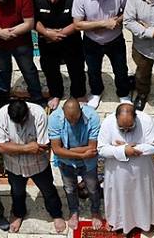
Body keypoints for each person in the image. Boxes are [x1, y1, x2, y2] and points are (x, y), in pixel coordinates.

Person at [0, 100, 66, 233]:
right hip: (13, 166)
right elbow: (0, 146)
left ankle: (56, 214)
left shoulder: (38, 113)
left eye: (23, 121)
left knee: (48, 190)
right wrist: (28, 147)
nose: (20, 124)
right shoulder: (2, 115)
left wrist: (12, 147)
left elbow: (42, 146)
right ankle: (18, 213)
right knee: (17, 192)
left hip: (38, 165)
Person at [98, 102, 154, 234]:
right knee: (119, 198)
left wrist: (133, 149)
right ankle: (118, 223)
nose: (125, 131)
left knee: (141, 197)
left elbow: (153, 146)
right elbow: (101, 149)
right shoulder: (108, 123)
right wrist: (123, 150)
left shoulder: (146, 121)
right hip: (117, 172)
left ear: (135, 118)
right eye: (122, 128)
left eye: (129, 127)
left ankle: (145, 223)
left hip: (141, 171)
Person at [49, 98, 103, 229]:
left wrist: (66, 150)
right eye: (69, 120)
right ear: (63, 112)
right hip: (66, 163)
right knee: (69, 188)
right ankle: (74, 211)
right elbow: (56, 150)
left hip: (88, 162)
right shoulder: (54, 118)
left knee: (93, 188)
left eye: (76, 119)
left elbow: (92, 147)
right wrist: (81, 154)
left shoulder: (92, 117)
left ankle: (95, 211)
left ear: (81, 111)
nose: (73, 122)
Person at [33, 0, 84, 108]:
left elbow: (78, 21)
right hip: (47, 40)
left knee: (76, 67)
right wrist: (46, 33)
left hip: (70, 39)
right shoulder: (38, 0)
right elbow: (34, 21)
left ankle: (79, 93)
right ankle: (56, 93)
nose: (52, 1)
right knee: (50, 69)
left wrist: (60, 34)